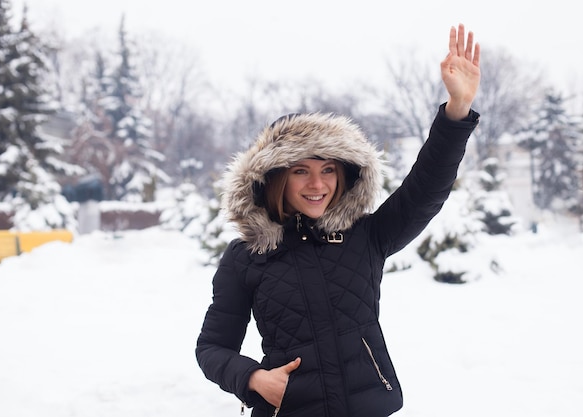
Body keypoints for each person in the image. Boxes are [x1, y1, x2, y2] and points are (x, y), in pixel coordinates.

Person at [196, 23, 481, 417]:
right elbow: (212, 348)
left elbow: (426, 190)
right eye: (301, 171)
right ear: (276, 176)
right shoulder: (247, 257)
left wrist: (456, 112)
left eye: (328, 169)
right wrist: (253, 379)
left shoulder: (366, 236)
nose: (318, 184)